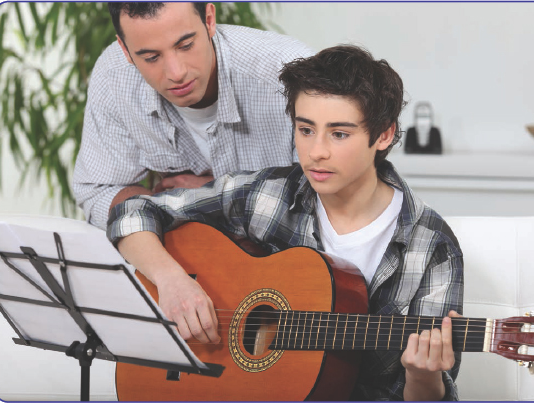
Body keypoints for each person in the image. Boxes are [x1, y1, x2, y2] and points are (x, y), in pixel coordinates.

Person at [107, 45, 464, 400]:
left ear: (383, 135)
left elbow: (428, 398)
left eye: (339, 134)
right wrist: (172, 282)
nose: (316, 151)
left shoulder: (431, 246)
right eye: (306, 130)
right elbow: (133, 211)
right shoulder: (268, 194)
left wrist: (422, 375)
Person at [74, 2, 314, 229]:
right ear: (125, 50)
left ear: (209, 20)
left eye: (186, 45)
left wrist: (206, 198)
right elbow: (98, 191)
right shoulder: (114, 77)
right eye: (151, 58)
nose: (176, 73)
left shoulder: (290, 75)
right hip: (193, 258)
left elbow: (327, 199)